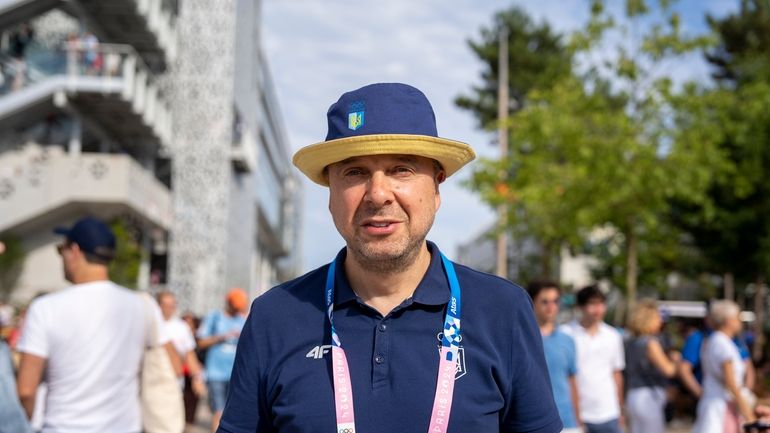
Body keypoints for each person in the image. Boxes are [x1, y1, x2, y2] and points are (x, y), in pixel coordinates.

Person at [217, 83, 562, 433]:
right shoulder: (274, 316)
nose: (378, 194)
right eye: (355, 173)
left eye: (402, 169)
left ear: (437, 186)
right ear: (330, 192)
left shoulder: (502, 310)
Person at [15, 217, 173, 432]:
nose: (62, 257)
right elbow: (171, 361)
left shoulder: (45, 308)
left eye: (61, 250)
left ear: (75, 251)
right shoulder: (142, 306)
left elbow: (26, 390)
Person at [562, 285, 625, 433]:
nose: (598, 309)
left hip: (609, 411)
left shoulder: (613, 335)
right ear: (580, 307)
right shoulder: (566, 333)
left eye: (601, 304)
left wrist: (620, 408)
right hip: (577, 412)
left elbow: (616, 373)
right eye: (592, 304)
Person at [693, 300, 756, 433]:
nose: (740, 321)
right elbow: (731, 382)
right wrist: (749, 415)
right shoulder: (722, 344)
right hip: (719, 408)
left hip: (718, 405)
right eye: (737, 317)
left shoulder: (717, 341)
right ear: (728, 320)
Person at [526, 280, 581, 432]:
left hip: (566, 421)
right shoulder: (521, 339)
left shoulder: (567, 340)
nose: (551, 307)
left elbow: (572, 382)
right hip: (532, 423)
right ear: (532, 303)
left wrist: (578, 420)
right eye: (544, 302)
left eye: (555, 301)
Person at [624, 299, 680, 433]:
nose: (660, 322)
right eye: (657, 318)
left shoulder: (630, 341)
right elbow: (669, 370)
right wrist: (676, 360)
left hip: (633, 394)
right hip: (649, 396)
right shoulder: (650, 342)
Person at [197, 288, 248, 433]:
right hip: (216, 373)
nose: (237, 310)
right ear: (228, 303)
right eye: (235, 307)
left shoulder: (242, 318)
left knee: (231, 412)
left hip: (236, 373)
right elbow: (200, 342)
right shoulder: (214, 317)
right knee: (219, 411)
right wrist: (222, 337)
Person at [156, 291, 206, 426]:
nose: (169, 309)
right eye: (166, 305)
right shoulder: (151, 324)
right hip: (152, 382)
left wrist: (197, 378)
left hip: (174, 383)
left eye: (172, 305)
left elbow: (190, 354)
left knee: (171, 423)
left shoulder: (181, 327)